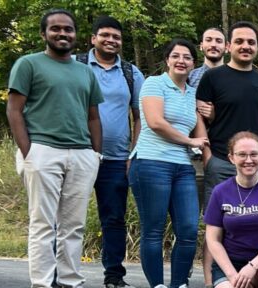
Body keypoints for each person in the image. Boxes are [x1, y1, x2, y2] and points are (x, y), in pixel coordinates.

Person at [7, 9, 104, 288]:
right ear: (44, 34)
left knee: (74, 225)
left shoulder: (85, 71)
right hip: (43, 150)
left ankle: (71, 281)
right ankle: (42, 282)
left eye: (68, 29)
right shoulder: (28, 64)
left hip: (82, 154)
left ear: (76, 35)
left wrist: (96, 154)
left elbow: (93, 116)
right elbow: (14, 110)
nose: (63, 34)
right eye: (56, 29)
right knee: (42, 224)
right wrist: (29, 153)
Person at [196, 21, 258, 286]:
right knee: (216, 227)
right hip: (221, 161)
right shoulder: (213, 77)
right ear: (229, 46)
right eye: (240, 41)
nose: (246, 46)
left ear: (257, 47)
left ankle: (255, 274)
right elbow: (200, 115)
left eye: (251, 42)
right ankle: (212, 280)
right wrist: (208, 154)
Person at [128, 39, 208, 288]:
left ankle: (178, 284)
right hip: (151, 163)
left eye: (187, 57)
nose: (181, 61)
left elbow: (202, 125)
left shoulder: (193, 93)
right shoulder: (154, 84)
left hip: (183, 167)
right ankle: (157, 285)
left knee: (188, 229)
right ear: (167, 60)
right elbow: (155, 122)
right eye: (176, 56)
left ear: (193, 63)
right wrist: (189, 140)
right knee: (153, 230)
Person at [79, 15, 145, 288]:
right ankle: (59, 275)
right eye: (105, 35)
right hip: (78, 155)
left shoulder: (131, 73)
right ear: (93, 38)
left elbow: (140, 116)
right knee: (69, 218)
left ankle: (114, 277)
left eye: (116, 37)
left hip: (117, 159)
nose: (111, 40)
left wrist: (133, 153)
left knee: (114, 219)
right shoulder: (76, 66)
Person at [205, 132, 258, 288]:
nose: (249, 160)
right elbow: (212, 239)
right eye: (242, 155)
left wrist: (252, 266)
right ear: (231, 158)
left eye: (254, 154)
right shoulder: (220, 191)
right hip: (229, 264)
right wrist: (233, 275)